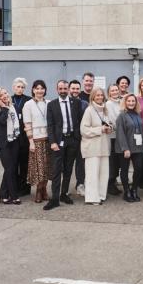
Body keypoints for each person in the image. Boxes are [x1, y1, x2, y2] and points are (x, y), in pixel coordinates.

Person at [44, 80, 84, 211]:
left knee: (68, 169)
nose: (63, 91)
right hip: (58, 141)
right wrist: (53, 142)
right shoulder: (52, 105)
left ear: (68, 89)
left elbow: (79, 121)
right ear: (57, 89)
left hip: (73, 140)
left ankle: (63, 194)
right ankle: (54, 198)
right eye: (60, 88)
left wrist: (78, 139)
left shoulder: (76, 103)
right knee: (56, 170)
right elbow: (50, 125)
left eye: (65, 88)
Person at [80, 87, 113, 205]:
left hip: (104, 146)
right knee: (92, 174)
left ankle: (101, 195)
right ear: (92, 97)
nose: (100, 97)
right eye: (97, 95)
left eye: (101, 95)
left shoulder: (105, 110)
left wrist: (109, 128)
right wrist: (100, 129)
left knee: (104, 173)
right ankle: (92, 197)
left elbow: (108, 123)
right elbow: (84, 130)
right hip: (92, 147)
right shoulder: (89, 110)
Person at [0, 88, 21, 204]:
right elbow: (2, 121)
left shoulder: (14, 107)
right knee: (9, 168)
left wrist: (7, 107)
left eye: (6, 93)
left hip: (14, 140)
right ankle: (14, 195)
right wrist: (3, 107)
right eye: (1, 95)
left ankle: (3, 194)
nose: (5, 96)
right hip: (2, 141)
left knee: (11, 168)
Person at [23, 80, 50, 203]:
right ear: (33, 90)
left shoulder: (49, 103)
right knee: (39, 168)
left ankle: (44, 189)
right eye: (37, 88)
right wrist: (31, 142)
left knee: (47, 167)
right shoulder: (28, 104)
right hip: (36, 140)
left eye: (42, 88)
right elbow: (27, 124)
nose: (40, 91)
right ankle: (38, 191)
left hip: (48, 139)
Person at [116, 94, 143, 202]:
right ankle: (126, 191)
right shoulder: (121, 116)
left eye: (133, 101)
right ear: (125, 102)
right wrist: (125, 148)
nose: (131, 103)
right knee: (124, 170)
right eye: (129, 101)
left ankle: (134, 190)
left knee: (138, 168)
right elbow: (120, 133)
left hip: (138, 147)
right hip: (125, 148)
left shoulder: (137, 114)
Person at [11, 77, 31, 197]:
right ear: (14, 87)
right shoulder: (9, 99)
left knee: (24, 164)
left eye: (22, 87)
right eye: (18, 87)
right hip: (13, 136)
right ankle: (15, 186)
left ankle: (25, 188)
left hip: (25, 136)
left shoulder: (28, 100)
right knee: (14, 163)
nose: (20, 89)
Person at [69, 80, 87, 196]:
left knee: (81, 164)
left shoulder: (84, 104)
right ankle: (65, 187)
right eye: (73, 88)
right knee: (67, 164)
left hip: (81, 138)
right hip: (68, 139)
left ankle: (80, 185)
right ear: (69, 89)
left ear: (80, 90)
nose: (75, 91)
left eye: (77, 89)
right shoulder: (63, 103)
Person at [105, 84, 123, 196]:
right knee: (113, 162)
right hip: (113, 137)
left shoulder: (122, 102)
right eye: (113, 90)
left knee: (118, 162)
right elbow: (113, 121)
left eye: (116, 89)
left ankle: (113, 182)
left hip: (121, 137)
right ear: (109, 93)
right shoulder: (108, 104)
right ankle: (110, 185)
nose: (115, 92)